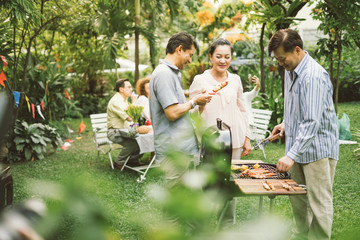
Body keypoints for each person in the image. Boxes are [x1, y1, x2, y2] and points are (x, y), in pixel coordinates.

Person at [268, 29, 339, 240]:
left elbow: (312, 121)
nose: (281, 63)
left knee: (319, 202)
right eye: (278, 59)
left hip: (317, 149)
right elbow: (299, 110)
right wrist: (285, 125)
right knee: (298, 199)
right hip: (297, 147)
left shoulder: (313, 76)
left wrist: (290, 155)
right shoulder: (291, 71)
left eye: (282, 58)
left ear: (297, 50)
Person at [149, 32, 212, 188]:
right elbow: (172, 113)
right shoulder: (164, 74)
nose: (190, 60)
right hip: (174, 151)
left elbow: (180, 113)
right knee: (175, 207)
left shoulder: (171, 73)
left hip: (181, 150)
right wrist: (194, 101)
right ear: (179, 50)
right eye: (189, 55)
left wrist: (199, 103)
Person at [189, 38, 251, 159]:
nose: (223, 61)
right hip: (209, 139)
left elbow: (243, 110)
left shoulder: (235, 79)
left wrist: (247, 138)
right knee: (209, 176)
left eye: (227, 57)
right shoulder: (200, 80)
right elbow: (191, 114)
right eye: (218, 56)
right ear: (211, 57)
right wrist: (201, 106)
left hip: (234, 138)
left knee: (233, 175)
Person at [107, 78, 143, 169]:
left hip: (125, 130)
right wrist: (134, 101)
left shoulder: (124, 100)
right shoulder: (116, 101)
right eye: (129, 87)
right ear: (121, 89)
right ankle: (118, 162)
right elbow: (130, 117)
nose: (131, 89)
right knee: (134, 143)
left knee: (142, 140)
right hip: (115, 132)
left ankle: (132, 160)